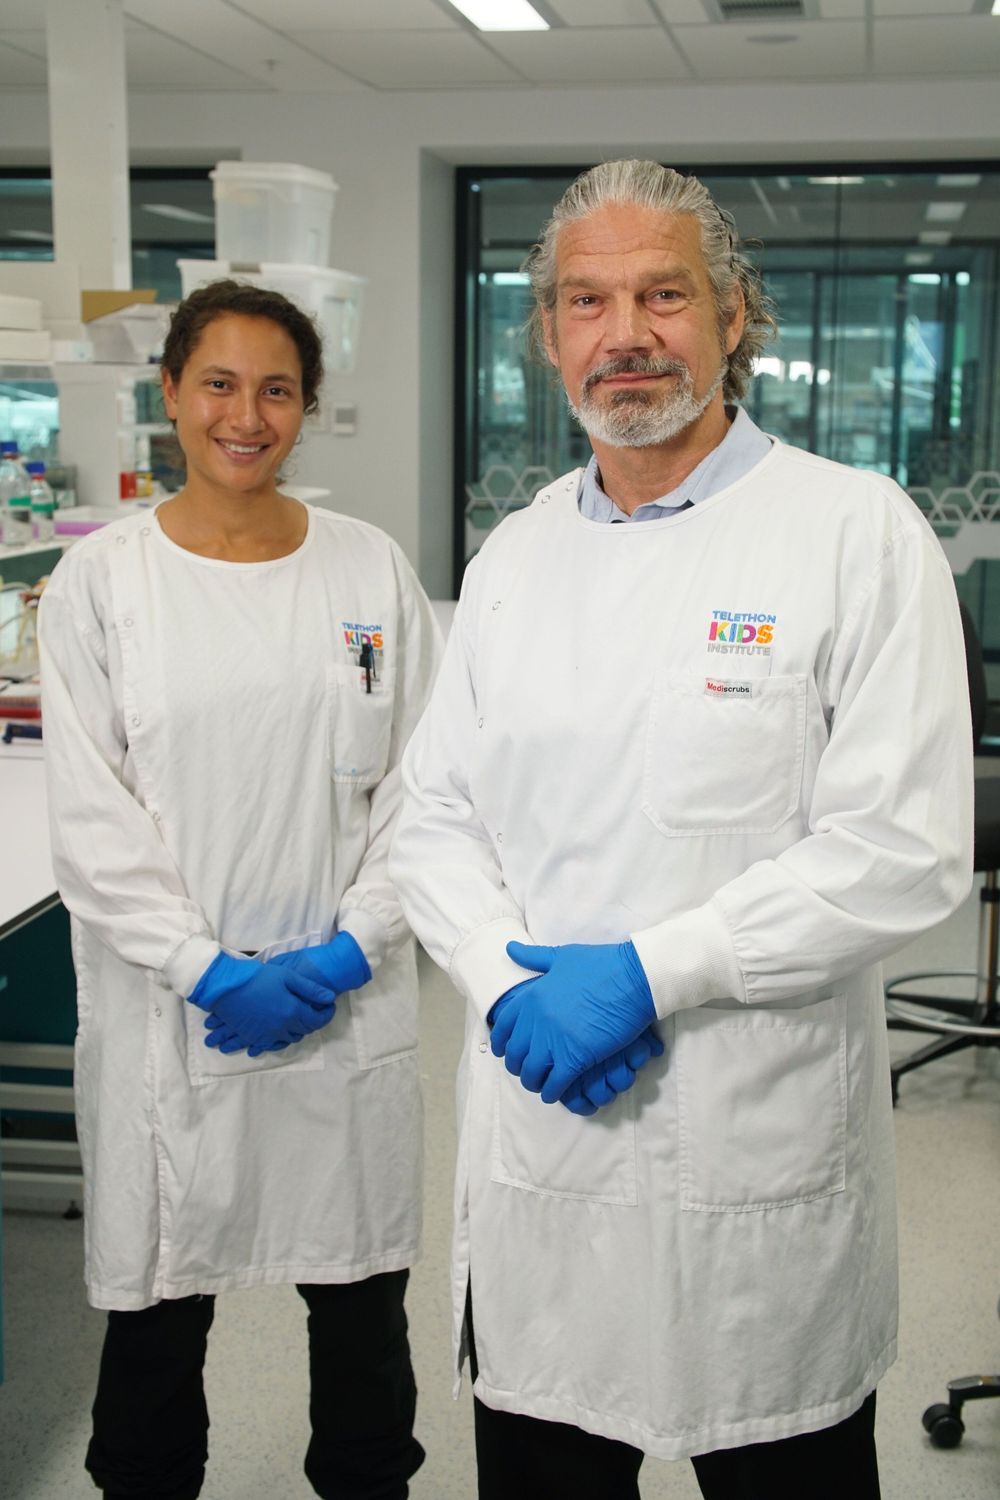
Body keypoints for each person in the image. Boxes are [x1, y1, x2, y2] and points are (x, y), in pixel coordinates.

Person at [389, 161, 973, 1499]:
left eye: (663, 294)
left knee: (778, 1454)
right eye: (587, 302)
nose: (626, 334)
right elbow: (433, 814)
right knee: (548, 1457)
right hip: (548, 1136)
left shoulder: (854, 533)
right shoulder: (514, 556)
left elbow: (904, 847)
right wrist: (500, 980)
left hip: (752, 1148)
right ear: (549, 335)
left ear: (732, 315)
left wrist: (649, 975)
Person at [39, 279, 441, 1500]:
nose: (246, 416)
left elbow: (428, 786)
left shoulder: (368, 570)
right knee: (159, 1318)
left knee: (360, 1313)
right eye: (218, 383)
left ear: (306, 407)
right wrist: (205, 969)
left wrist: (350, 949)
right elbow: (92, 817)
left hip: (344, 1005)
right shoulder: (104, 583)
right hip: (175, 1016)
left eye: (276, 390)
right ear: (171, 393)